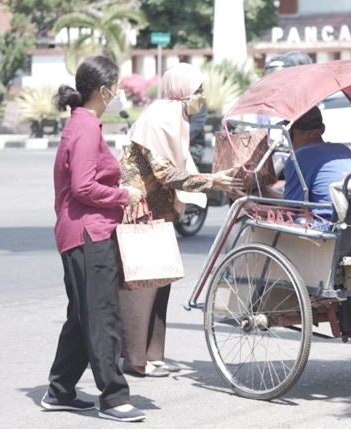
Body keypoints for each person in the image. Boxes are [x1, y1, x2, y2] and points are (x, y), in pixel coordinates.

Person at [118, 63, 242, 378]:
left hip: (158, 211)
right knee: (142, 284)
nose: (201, 97)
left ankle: (153, 356)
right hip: (140, 210)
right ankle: (134, 360)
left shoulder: (175, 117)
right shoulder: (158, 120)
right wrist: (213, 180)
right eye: (197, 91)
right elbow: (166, 173)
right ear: (181, 92)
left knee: (161, 281)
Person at [44, 56, 146, 422]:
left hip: (80, 233)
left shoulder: (83, 124)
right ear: (103, 91)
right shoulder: (85, 128)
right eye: (116, 87)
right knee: (102, 316)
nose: (118, 94)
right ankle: (114, 397)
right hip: (89, 234)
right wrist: (124, 196)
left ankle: (59, 391)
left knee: (82, 316)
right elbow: (83, 186)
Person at [282, 106, 351, 219]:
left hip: (329, 225)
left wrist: (252, 207)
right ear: (323, 129)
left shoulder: (298, 158)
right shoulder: (344, 149)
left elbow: (291, 210)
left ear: (290, 132)